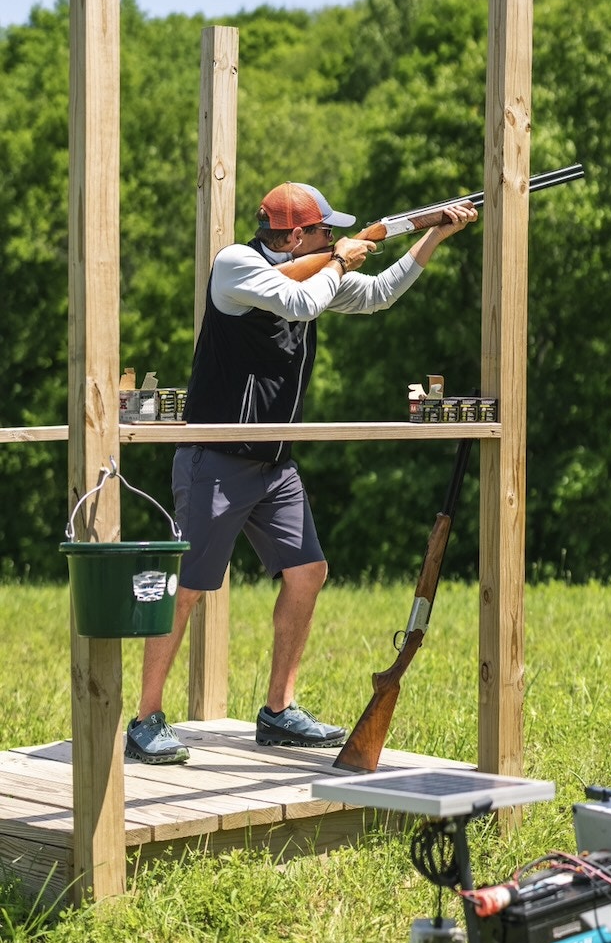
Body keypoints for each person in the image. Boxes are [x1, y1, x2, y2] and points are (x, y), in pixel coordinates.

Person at [125, 179, 478, 764]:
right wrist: (339, 260)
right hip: (217, 455)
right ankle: (145, 719)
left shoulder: (314, 272)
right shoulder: (235, 264)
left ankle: (279, 710)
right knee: (187, 588)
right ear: (294, 237)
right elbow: (300, 304)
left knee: (308, 572)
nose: (333, 237)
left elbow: (379, 294)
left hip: (274, 462)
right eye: (323, 231)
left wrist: (433, 234)